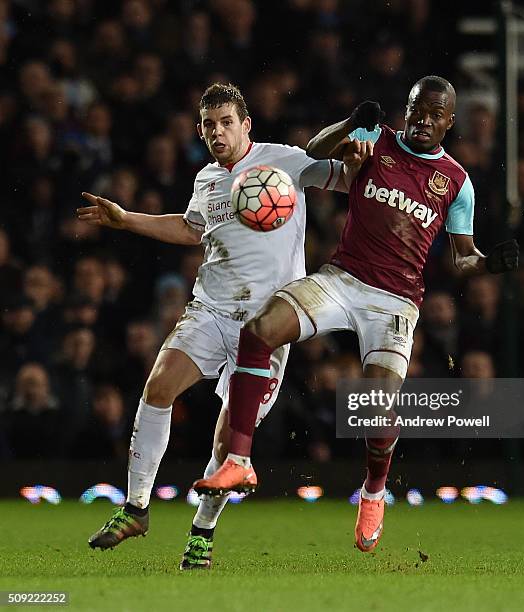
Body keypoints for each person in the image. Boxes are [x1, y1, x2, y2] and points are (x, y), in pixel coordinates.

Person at [194, 76, 519, 553]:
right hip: (342, 280)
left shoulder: (456, 182)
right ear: (405, 110)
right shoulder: (378, 140)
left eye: (435, 113)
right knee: (260, 329)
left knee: (377, 409)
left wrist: (489, 263)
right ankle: (239, 458)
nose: (423, 120)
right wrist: (352, 123)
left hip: (395, 303)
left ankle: (373, 490)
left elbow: (462, 257)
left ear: (450, 122)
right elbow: (314, 149)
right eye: (416, 109)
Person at [77, 83, 351, 569]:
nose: (217, 132)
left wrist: (361, 148)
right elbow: (189, 228)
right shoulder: (207, 178)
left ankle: (201, 533)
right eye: (209, 125)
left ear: (246, 124)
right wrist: (126, 220)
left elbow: (346, 178)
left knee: (230, 438)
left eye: (226, 122)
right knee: (158, 385)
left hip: (267, 324)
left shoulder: (286, 160)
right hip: (211, 308)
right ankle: (136, 507)